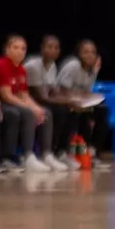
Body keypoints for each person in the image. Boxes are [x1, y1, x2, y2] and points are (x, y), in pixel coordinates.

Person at [0, 35, 63, 173]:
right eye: (16, 48)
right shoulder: (2, 65)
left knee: (45, 112)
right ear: (7, 50)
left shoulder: (21, 69)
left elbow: (24, 95)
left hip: (14, 101)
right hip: (1, 103)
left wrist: (36, 107)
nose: (20, 51)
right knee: (27, 112)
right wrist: (30, 108)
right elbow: (6, 96)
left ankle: (46, 154)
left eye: (23, 48)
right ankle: (27, 155)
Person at [58, 39, 114, 167]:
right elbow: (62, 91)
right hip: (63, 101)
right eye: (86, 52)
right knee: (75, 113)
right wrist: (78, 99)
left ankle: (92, 151)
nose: (90, 55)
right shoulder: (73, 66)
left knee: (102, 111)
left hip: (80, 102)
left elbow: (85, 91)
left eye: (93, 52)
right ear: (78, 54)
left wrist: (93, 97)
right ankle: (62, 152)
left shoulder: (92, 69)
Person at [24, 34, 77, 166]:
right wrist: (67, 101)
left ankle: (61, 151)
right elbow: (42, 96)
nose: (53, 50)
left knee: (71, 111)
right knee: (58, 110)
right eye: (49, 47)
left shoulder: (52, 65)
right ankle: (48, 152)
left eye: (56, 48)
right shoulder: (33, 66)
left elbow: (53, 91)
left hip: (42, 99)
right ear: (42, 48)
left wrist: (72, 100)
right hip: (29, 100)